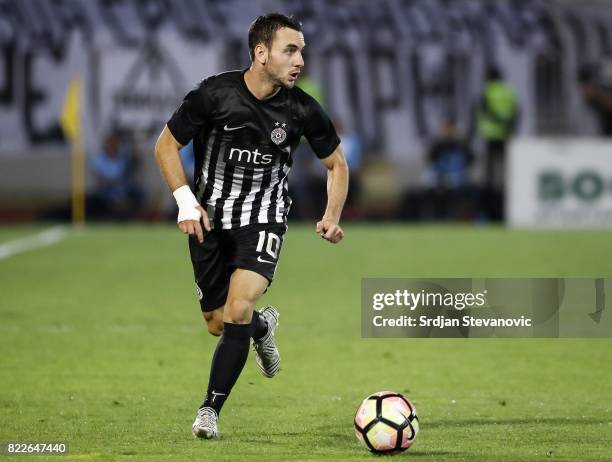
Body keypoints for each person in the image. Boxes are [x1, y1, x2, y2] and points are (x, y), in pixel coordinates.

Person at [154, 13, 349, 440]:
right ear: (261, 54)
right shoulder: (215, 94)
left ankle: (209, 410)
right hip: (208, 220)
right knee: (218, 322)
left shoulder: (302, 109)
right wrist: (186, 203)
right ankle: (264, 327)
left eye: (302, 51)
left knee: (238, 307)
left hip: (263, 219)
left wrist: (331, 216)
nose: (300, 60)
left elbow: (336, 164)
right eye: (290, 50)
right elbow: (166, 145)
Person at [476, 65, 519, 221]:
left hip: (491, 137)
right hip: (506, 138)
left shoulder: (487, 92)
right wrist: (509, 129)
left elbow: (485, 111)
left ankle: (490, 213)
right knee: (507, 175)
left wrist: (499, 124)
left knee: (490, 177)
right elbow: (516, 113)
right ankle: (507, 212)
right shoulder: (510, 92)